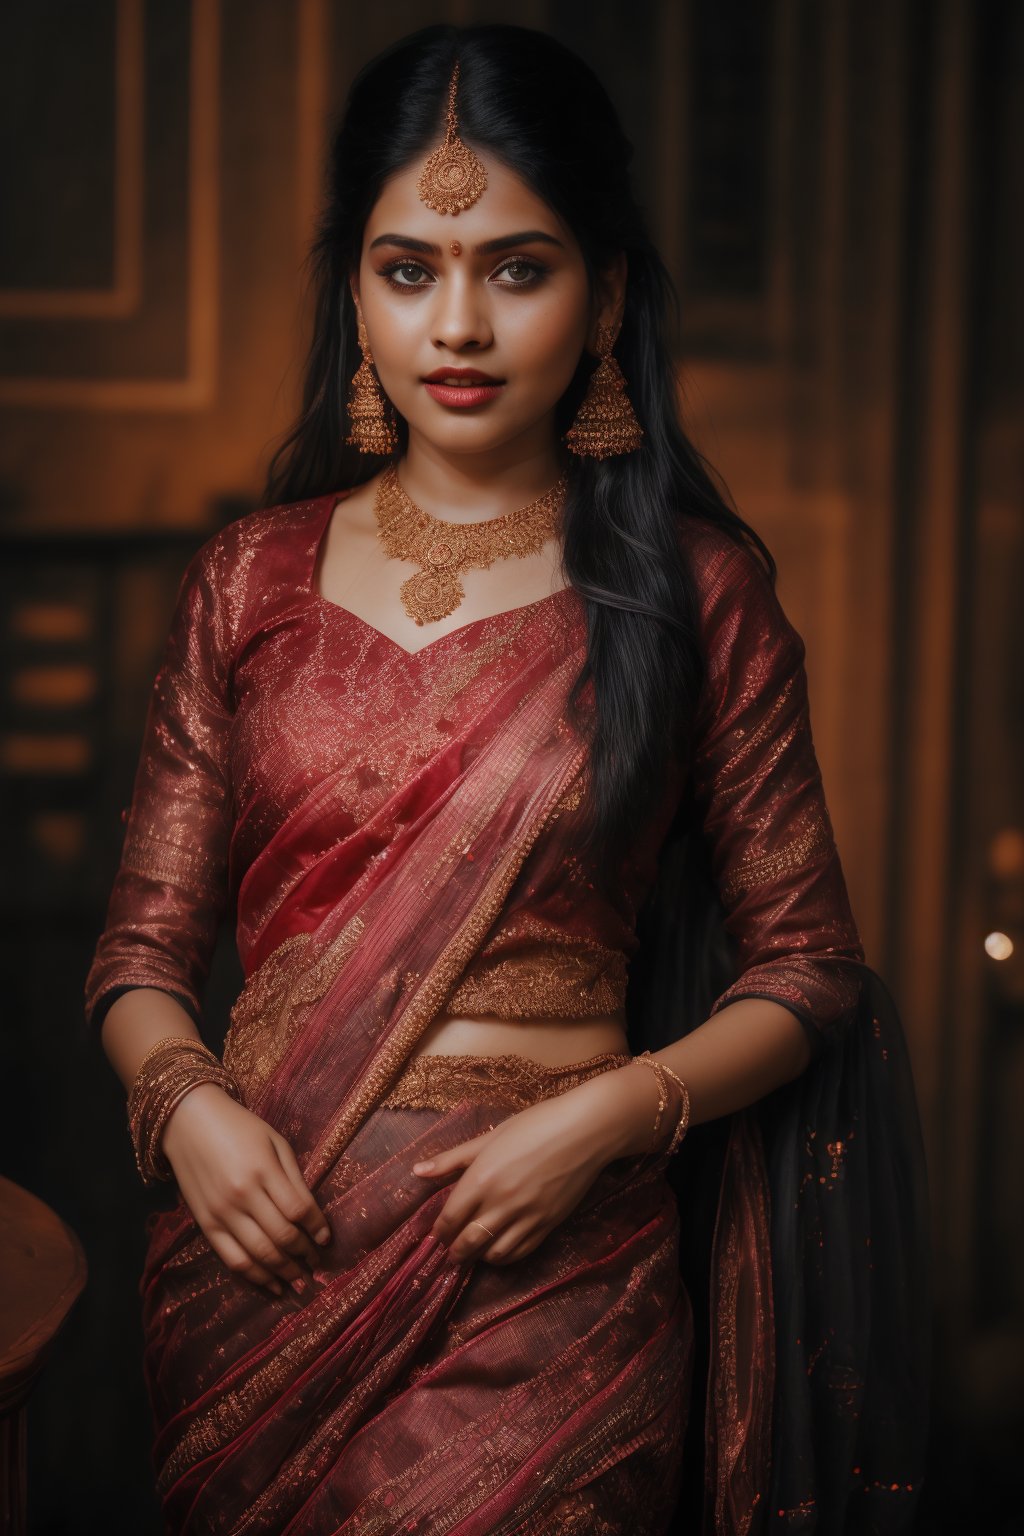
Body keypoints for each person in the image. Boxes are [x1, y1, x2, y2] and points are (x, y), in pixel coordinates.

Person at [84, 23, 930, 1535]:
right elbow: (142, 954)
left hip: (557, 1285)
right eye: (409, 269)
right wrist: (191, 1106)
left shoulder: (695, 590)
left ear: (606, 297)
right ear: (355, 291)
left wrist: (606, 1119)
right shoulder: (247, 581)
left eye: (518, 269)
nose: (456, 324)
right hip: (263, 1278)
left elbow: (811, 972)